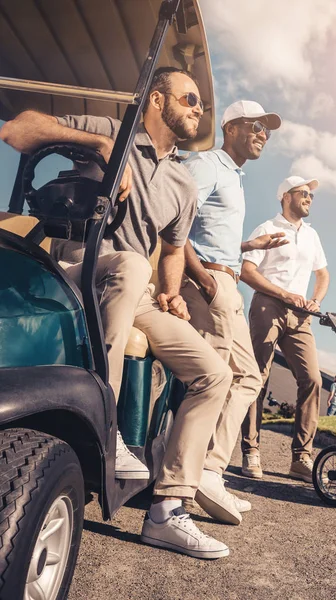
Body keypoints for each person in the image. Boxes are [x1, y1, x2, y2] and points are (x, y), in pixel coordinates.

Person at [0, 67, 234, 559]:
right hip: (71, 263)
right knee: (128, 264)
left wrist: (172, 293)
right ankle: (106, 425)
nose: (198, 108)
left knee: (214, 372)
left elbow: (172, 250)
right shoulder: (110, 131)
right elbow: (16, 130)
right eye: (190, 98)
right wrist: (99, 146)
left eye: (200, 105)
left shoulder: (183, 183)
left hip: (136, 291)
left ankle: (168, 510)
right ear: (156, 98)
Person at [181, 100, 286, 520]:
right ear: (232, 127)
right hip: (210, 281)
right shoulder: (206, 165)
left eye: (267, 130)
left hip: (226, 279)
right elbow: (174, 225)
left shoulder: (234, 177)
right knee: (220, 379)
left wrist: (248, 246)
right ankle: (188, 481)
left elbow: (212, 232)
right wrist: (204, 280)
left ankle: (210, 470)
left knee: (247, 378)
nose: (264, 134)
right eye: (257, 126)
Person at [240, 175, 330, 483]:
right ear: (285, 196)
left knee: (313, 379)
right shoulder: (267, 229)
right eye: (303, 193)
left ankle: (301, 458)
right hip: (268, 305)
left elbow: (323, 274)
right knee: (258, 376)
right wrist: (283, 294)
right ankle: (250, 450)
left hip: (301, 314)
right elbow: (246, 271)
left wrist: (315, 300)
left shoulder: (312, 235)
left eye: (311, 195)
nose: (309, 198)